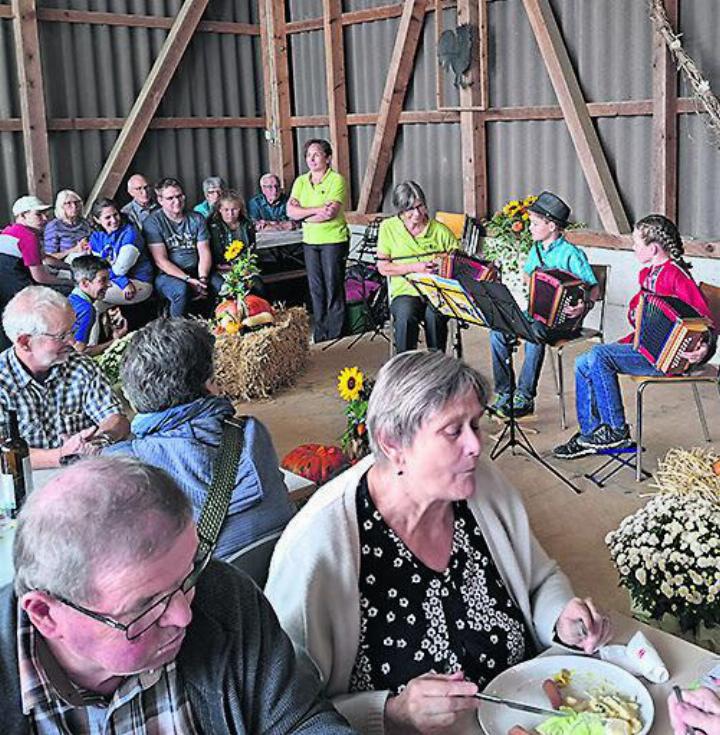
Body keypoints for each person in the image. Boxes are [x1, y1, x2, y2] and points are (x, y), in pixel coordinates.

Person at [266, 350, 612, 734]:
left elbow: (539, 578)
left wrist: (560, 618)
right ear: (393, 443)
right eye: (453, 431)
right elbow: (286, 714)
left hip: (529, 720)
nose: (476, 445)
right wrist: (393, 712)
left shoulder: (482, 484)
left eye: (476, 424)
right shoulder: (318, 545)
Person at [0, 455, 355, 733]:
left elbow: (296, 721)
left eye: (188, 576)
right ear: (45, 615)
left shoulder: (223, 597)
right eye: (147, 607)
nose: (184, 615)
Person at [104, 318, 295, 560]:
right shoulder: (252, 433)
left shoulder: (124, 465)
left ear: (133, 396)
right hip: (281, 582)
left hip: (205, 594)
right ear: (209, 384)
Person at [554, 214, 715, 459]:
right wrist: (634, 311)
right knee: (582, 363)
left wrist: (703, 349)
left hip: (667, 356)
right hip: (644, 345)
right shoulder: (648, 274)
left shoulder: (676, 276)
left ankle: (616, 431)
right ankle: (592, 433)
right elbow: (638, 309)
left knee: (599, 354)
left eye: (636, 244)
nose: (633, 247)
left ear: (652, 248)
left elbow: (707, 321)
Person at [489, 191, 598, 419]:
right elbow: (528, 276)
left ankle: (525, 396)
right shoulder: (536, 250)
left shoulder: (572, 254)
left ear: (551, 226)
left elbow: (594, 288)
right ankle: (505, 391)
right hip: (534, 313)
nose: (529, 228)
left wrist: (583, 306)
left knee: (535, 332)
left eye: (535, 223)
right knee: (497, 330)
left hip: (564, 321)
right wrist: (534, 283)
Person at [0, 286, 130, 468]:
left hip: (82, 477)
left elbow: (117, 419)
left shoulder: (79, 365)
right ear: (25, 342)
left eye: (72, 330)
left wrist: (100, 440)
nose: (72, 341)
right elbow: (2, 456)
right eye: (62, 336)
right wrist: (63, 455)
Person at [376, 180, 459, 353]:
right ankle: (405, 367)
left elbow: (458, 264)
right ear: (400, 210)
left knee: (435, 316)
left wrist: (442, 266)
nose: (416, 214)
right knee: (406, 315)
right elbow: (383, 267)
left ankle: (437, 366)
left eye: (420, 206)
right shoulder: (388, 228)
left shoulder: (440, 231)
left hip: (436, 291)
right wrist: (414, 267)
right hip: (405, 290)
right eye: (409, 209)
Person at [287, 139, 349, 343]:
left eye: (316, 155)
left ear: (328, 157)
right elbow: (290, 212)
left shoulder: (336, 180)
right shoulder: (301, 182)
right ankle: (322, 332)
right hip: (310, 241)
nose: (311, 159)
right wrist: (315, 210)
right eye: (308, 156)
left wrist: (303, 214)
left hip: (333, 239)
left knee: (333, 286)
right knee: (316, 287)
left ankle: (337, 332)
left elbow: (329, 214)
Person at [143, 177, 223, 317]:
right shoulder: (153, 222)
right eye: (170, 198)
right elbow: (160, 260)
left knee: (222, 287)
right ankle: (177, 332)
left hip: (198, 271)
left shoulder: (196, 218)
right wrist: (188, 279)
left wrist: (202, 279)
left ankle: (217, 327)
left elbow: (204, 251)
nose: (177, 201)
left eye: (179, 196)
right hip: (168, 275)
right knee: (181, 290)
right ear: (160, 200)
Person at [0, 196, 71, 348]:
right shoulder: (28, 237)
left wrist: (70, 268)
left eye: (45, 214)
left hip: (4, 289)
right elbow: (40, 277)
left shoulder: (9, 231)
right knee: (67, 293)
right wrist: (69, 281)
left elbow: (45, 258)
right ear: (22, 216)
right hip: (16, 289)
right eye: (38, 215)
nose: (45, 219)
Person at [89, 196, 154, 305]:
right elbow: (98, 266)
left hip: (138, 282)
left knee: (91, 292)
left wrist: (123, 282)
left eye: (115, 215)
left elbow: (120, 270)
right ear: (97, 220)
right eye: (107, 217)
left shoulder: (130, 234)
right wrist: (121, 281)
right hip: (116, 280)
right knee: (95, 307)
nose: (114, 220)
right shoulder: (96, 237)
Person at [68, 255, 128, 356]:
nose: (109, 284)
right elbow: (80, 353)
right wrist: (116, 340)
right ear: (85, 283)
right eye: (103, 280)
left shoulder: (70, 299)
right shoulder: (87, 310)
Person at [208, 190, 256, 269]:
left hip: (243, 266)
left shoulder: (247, 225)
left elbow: (251, 247)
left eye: (234, 209)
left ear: (240, 209)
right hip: (218, 267)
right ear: (220, 209)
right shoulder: (213, 226)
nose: (230, 214)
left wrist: (242, 263)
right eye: (226, 210)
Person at [43, 189, 93, 261]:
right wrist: (74, 250)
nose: (74, 206)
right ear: (61, 206)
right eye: (69, 203)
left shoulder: (84, 223)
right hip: (64, 266)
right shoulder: (54, 226)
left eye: (76, 202)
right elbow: (49, 257)